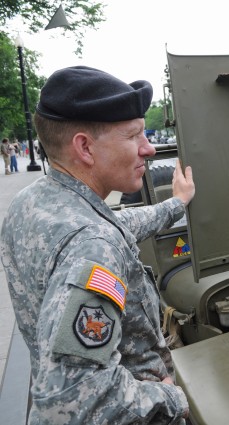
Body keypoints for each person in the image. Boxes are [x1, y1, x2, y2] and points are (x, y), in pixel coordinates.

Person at [0, 66, 195, 424]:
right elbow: (68, 401)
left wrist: (176, 204)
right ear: (85, 147)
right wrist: (171, 397)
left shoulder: (34, 202)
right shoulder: (93, 245)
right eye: (134, 136)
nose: (149, 149)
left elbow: (118, 223)